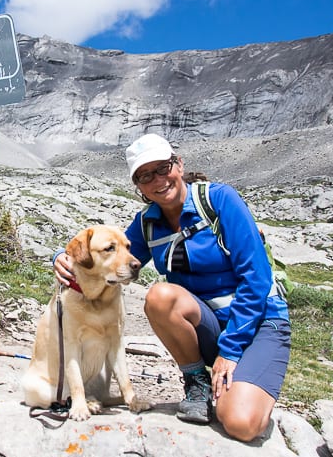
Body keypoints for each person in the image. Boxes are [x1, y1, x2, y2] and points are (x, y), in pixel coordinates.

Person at [54, 133, 290, 441]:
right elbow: (112, 258)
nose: (158, 180)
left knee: (240, 423)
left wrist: (230, 351)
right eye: (145, 175)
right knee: (159, 296)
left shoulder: (220, 200)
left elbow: (256, 279)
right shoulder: (147, 224)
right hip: (207, 325)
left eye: (163, 168)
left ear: (178, 164)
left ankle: (242, 384)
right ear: (138, 186)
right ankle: (197, 384)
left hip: (260, 322)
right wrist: (63, 255)